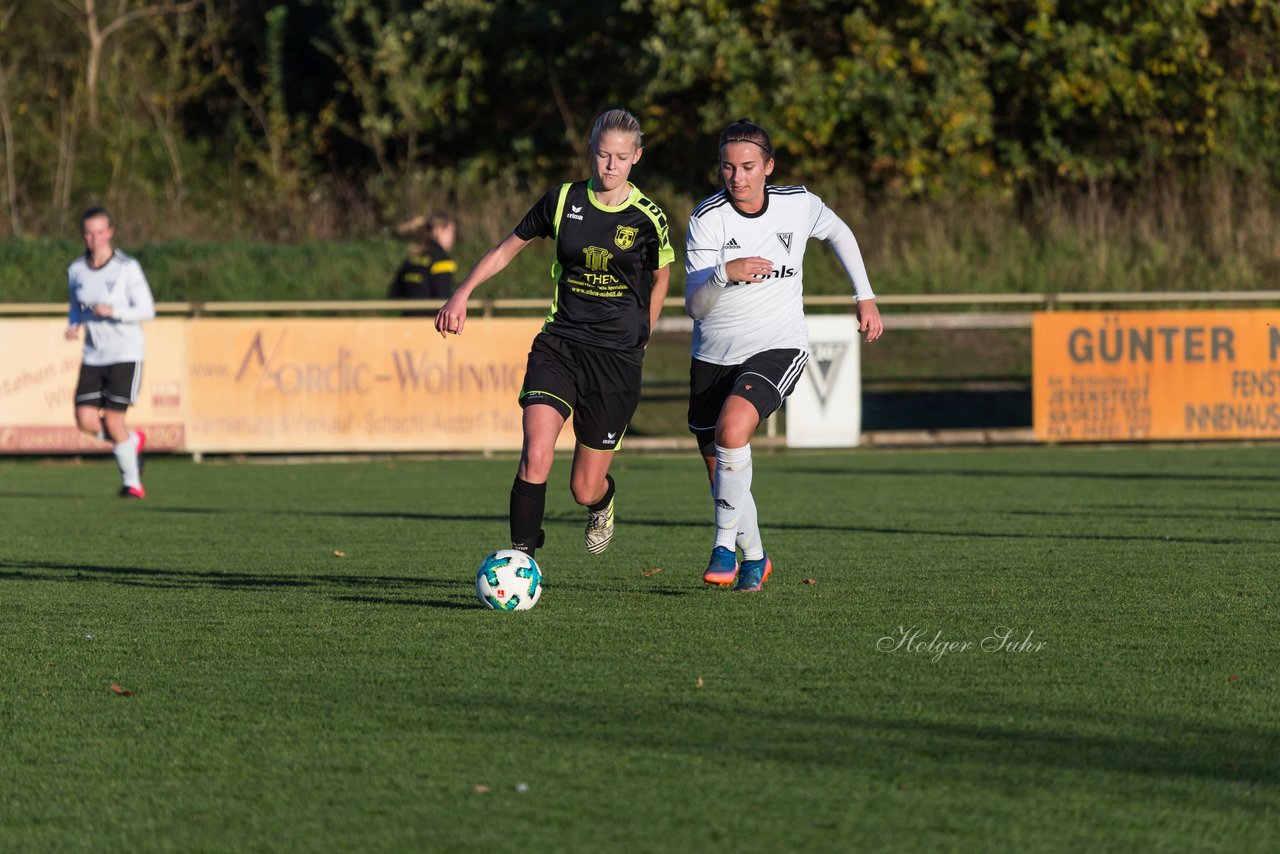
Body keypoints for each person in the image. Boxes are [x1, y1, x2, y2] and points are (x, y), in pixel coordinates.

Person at [435, 108, 673, 559]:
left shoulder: (648, 217)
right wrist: (462, 292)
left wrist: (645, 331)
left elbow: (661, 277)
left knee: (583, 488)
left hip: (616, 359)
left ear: (636, 157)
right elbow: (508, 248)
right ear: (591, 152)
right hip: (560, 343)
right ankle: (520, 556)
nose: (610, 166)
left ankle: (602, 503)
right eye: (603, 155)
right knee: (536, 453)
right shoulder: (562, 200)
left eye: (621, 158)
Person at [683, 118, 884, 591]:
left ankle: (722, 548)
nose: (737, 177)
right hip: (712, 357)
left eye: (748, 166)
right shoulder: (706, 218)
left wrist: (865, 295)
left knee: (734, 429)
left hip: (778, 345)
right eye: (728, 167)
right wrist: (723, 273)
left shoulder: (798, 205)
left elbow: (840, 233)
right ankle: (755, 556)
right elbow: (695, 306)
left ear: (768, 167)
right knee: (723, 477)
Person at [64, 206, 156, 499]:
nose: (95, 238)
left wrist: (114, 310)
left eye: (100, 232)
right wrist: (74, 324)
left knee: (114, 421)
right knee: (86, 421)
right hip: (94, 355)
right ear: (84, 235)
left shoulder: (127, 268)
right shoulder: (76, 269)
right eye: (89, 233)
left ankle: (133, 483)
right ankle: (130, 442)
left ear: (110, 232)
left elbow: (147, 310)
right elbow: (75, 305)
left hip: (125, 354)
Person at [388, 213, 458, 316]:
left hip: (407, 322)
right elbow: (443, 297)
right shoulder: (442, 260)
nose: (453, 239)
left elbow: (394, 294)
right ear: (438, 231)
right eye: (450, 233)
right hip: (430, 324)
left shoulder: (412, 258)